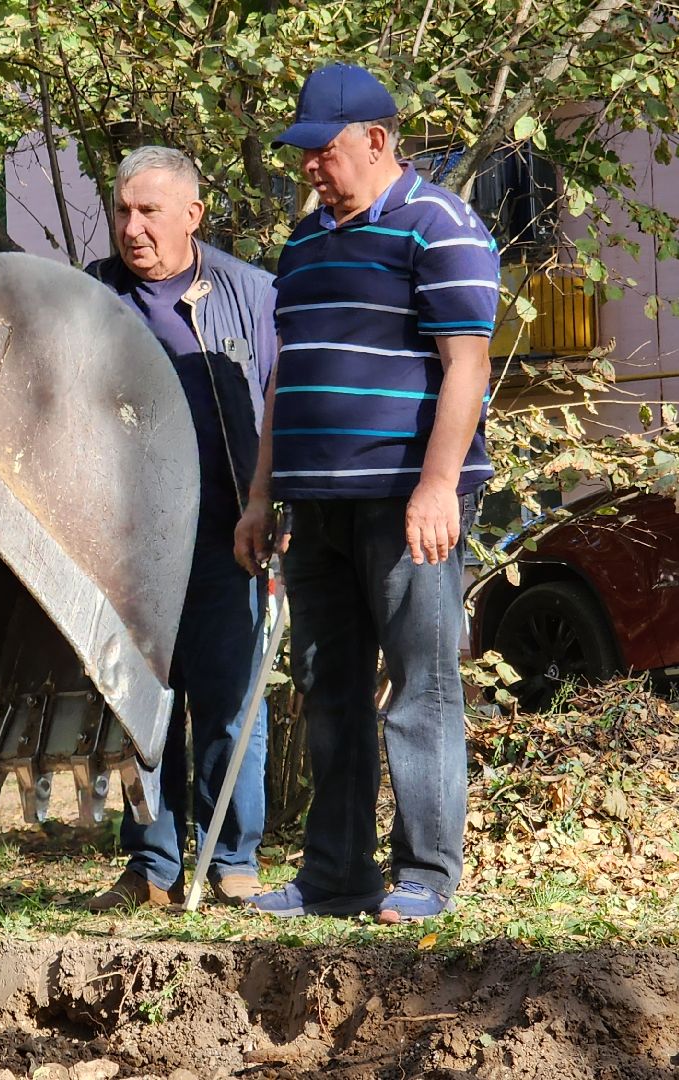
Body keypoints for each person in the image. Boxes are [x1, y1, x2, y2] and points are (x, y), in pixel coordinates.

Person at [235, 63, 499, 922]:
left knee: (420, 685)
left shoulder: (442, 228)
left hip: (404, 504)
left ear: (376, 141)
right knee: (328, 685)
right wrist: (260, 496)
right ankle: (334, 876)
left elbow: (468, 365)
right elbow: (287, 381)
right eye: (303, 152)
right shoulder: (304, 244)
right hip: (314, 510)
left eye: (323, 150)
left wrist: (436, 486)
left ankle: (425, 875)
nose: (310, 166)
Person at [84, 145, 279, 910]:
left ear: (192, 215)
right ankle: (152, 866)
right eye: (123, 211)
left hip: (231, 533)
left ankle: (233, 863)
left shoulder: (251, 294)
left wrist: (279, 505)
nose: (132, 228)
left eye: (150, 212)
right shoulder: (89, 295)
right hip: (127, 546)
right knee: (142, 708)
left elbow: (280, 404)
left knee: (232, 703)